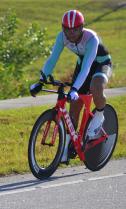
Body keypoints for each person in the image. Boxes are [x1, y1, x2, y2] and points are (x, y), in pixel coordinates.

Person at [30, 10, 113, 162]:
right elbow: (52, 59)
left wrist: (74, 88)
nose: (71, 33)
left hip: (100, 63)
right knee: (74, 106)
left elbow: (88, 67)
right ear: (63, 29)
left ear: (82, 27)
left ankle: (99, 116)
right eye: (68, 29)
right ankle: (68, 148)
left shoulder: (91, 39)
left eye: (75, 29)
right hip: (83, 64)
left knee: (95, 88)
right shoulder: (62, 37)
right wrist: (41, 81)